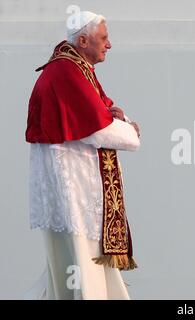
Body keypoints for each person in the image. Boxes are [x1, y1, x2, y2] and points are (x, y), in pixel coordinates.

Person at [24, 11, 140, 300]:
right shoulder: (66, 72)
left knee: (77, 265)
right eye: (104, 38)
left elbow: (104, 110)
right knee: (84, 265)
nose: (109, 45)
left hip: (76, 189)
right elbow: (98, 128)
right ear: (84, 40)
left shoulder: (76, 67)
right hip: (76, 193)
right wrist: (131, 132)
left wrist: (122, 119)